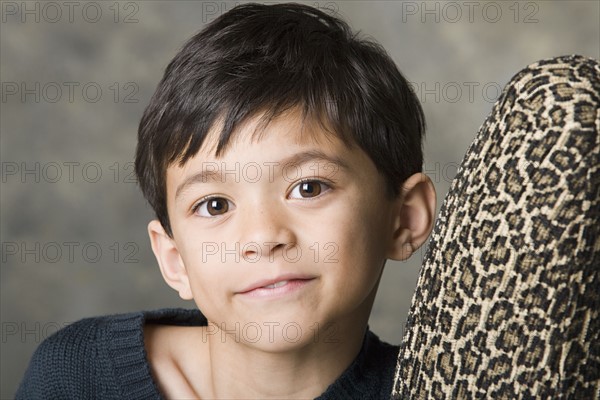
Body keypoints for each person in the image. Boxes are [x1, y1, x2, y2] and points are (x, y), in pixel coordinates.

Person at [16, 3, 437, 398]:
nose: (262, 236)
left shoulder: (442, 388)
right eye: (214, 205)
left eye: (308, 188)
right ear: (174, 259)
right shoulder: (77, 377)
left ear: (405, 218)